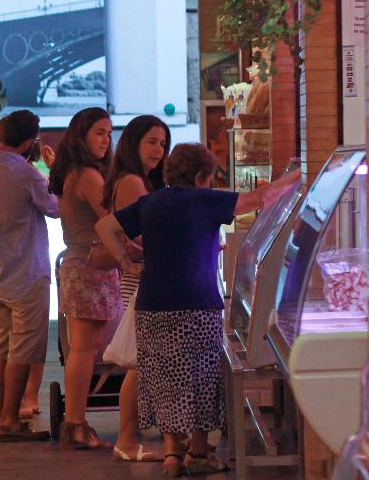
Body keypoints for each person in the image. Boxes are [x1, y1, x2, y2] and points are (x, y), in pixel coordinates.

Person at [95, 144, 300, 478]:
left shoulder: (151, 202)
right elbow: (261, 200)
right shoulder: (206, 200)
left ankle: (173, 454)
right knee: (201, 379)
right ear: (202, 176)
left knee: (165, 378)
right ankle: (200, 452)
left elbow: (104, 227)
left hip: (152, 304)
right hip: (197, 302)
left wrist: (127, 261)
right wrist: (302, 172)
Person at [0, 109, 58, 441]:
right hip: (28, 273)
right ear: (30, 140)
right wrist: (55, 169)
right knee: (23, 350)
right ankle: (10, 420)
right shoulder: (26, 173)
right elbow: (56, 207)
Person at [103, 115, 170, 463]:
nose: (159, 149)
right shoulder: (131, 181)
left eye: (162, 143)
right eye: (152, 142)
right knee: (138, 362)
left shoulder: (135, 179)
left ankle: (133, 436)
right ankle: (126, 440)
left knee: (141, 361)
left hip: (139, 276)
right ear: (134, 143)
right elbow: (136, 234)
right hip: (138, 278)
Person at [49, 107, 117, 451]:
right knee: (84, 350)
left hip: (78, 263)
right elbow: (113, 221)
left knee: (81, 348)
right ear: (82, 135)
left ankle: (74, 423)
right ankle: (75, 423)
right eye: (99, 133)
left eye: (108, 133)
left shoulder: (71, 173)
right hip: (91, 264)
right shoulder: (89, 175)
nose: (106, 140)